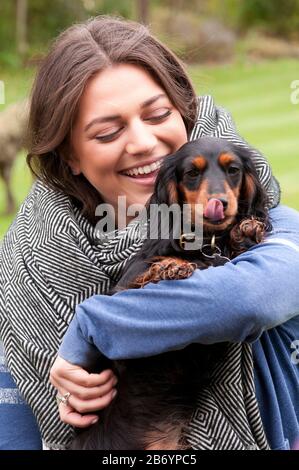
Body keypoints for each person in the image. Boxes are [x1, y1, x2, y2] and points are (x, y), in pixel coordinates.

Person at [0, 15, 297, 450]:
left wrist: (90, 326)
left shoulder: (264, 220)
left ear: (183, 113)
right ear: (70, 155)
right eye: (107, 131)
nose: (142, 143)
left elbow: (243, 300)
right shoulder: (27, 268)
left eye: (158, 114)